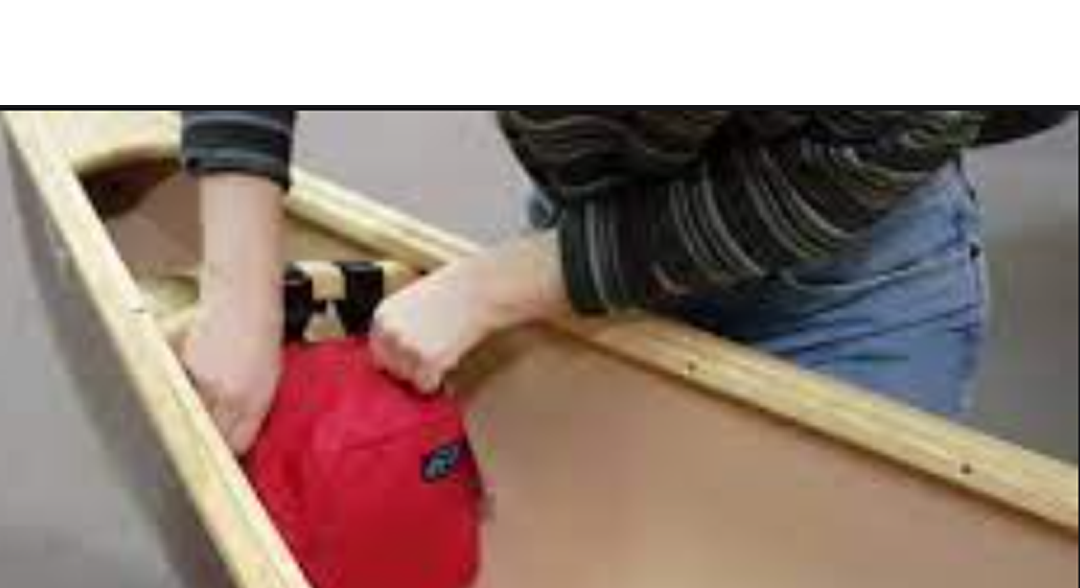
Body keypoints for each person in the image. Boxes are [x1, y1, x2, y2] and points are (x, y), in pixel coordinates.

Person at [180, 108, 1005, 456]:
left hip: (843, 288)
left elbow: (882, 143)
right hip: (592, 229)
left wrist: (500, 287)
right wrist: (241, 289)